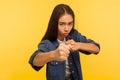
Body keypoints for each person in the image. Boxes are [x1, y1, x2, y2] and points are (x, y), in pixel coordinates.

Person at [29, 4, 100, 80]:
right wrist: (54, 54)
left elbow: (96, 48)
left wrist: (79, 45)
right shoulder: (47, 43)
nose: (67, 29)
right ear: (54, 24)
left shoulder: (74, 35)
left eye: (70, 24)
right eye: (62, 24)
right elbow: (34, 61)